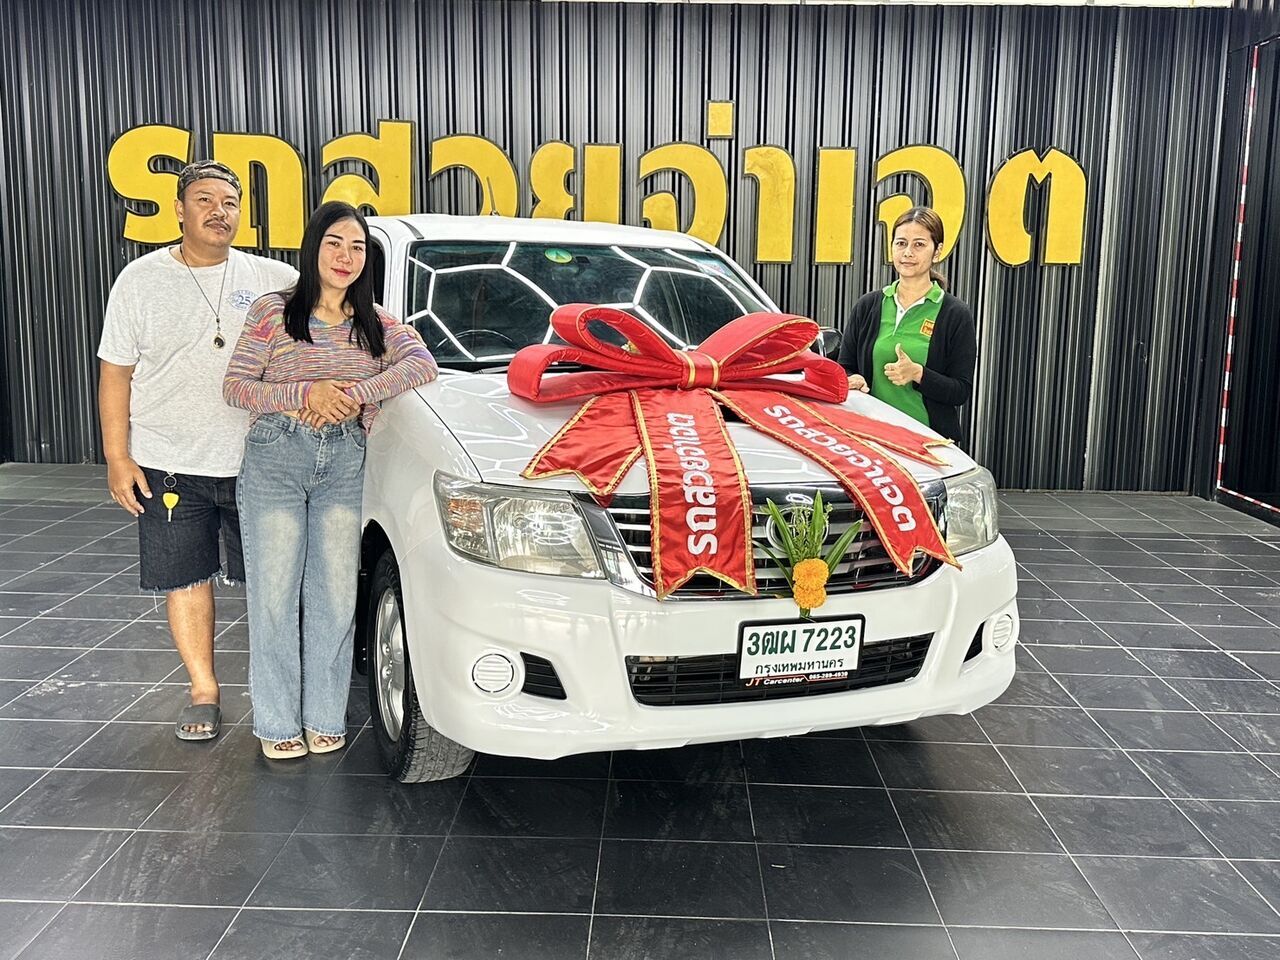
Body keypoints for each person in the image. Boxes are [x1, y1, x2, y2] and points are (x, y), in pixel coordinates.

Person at [223, 200, 437, 760]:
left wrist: (352, 396)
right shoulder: (274, 311)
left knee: (336, 597)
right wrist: (306, 394)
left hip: (343, 461)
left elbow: (422, 365)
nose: (346, 256)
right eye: (335, 243)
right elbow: (237, 386)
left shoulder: (377, 322)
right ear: (313, 247)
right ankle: (277, 723)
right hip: (276, 457)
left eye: (357, 247)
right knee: (275, 597)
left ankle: (323, 716)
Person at [98, 160, 298, 742]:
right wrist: (118, 457)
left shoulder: (274, 278)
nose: (219, 211)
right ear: (179, 209)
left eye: (230, 202)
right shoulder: (140, 280)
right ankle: (204, 690)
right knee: (186, 578)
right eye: (205, 200)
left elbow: (332, 325)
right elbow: (115, 374)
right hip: (168, 462)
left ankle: (281, 690)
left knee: (276, 582)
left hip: (260, 459)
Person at [837, 206, 977, 448]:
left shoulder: (955, 314)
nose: (908, 252)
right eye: (901, 243)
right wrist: (853, 379)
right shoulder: (868, 305)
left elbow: (960, 390)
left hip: (928, 444)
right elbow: (844, 368)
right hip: (870, 439)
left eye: (919, 244)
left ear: (937, 251)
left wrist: (918, 374)